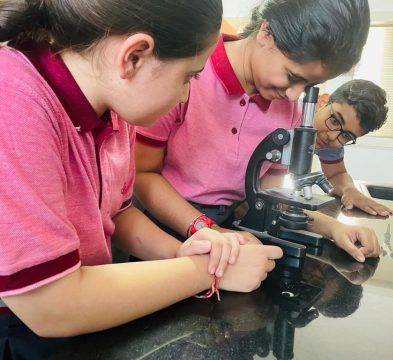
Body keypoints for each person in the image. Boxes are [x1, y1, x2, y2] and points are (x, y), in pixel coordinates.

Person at [0, 1, 283, 358]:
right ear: (134, 56)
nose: (185, 95)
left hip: (84, 308)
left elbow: (117, 214)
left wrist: (180, 252)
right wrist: (209, 272)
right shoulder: (14, 100)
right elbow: (50, 305)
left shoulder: (116, 109)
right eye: (188, 77)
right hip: (17, 323)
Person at [134, 0, 381, 263]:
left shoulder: (289, 109)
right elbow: (143, 174)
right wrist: (208, 229)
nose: (293, 94)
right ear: (266, 33)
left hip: (229, 232)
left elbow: (270, 197)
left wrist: (335, 229)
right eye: (292, 76)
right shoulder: (188, 72)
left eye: (308, 85)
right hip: (163, 231)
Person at [314, 79, 392, 217]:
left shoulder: (331, 142)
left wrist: (350, 190)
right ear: (323, 102)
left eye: (346, 136)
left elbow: (336, 174)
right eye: (334, 121)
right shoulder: (287, 113)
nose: (332, 137)